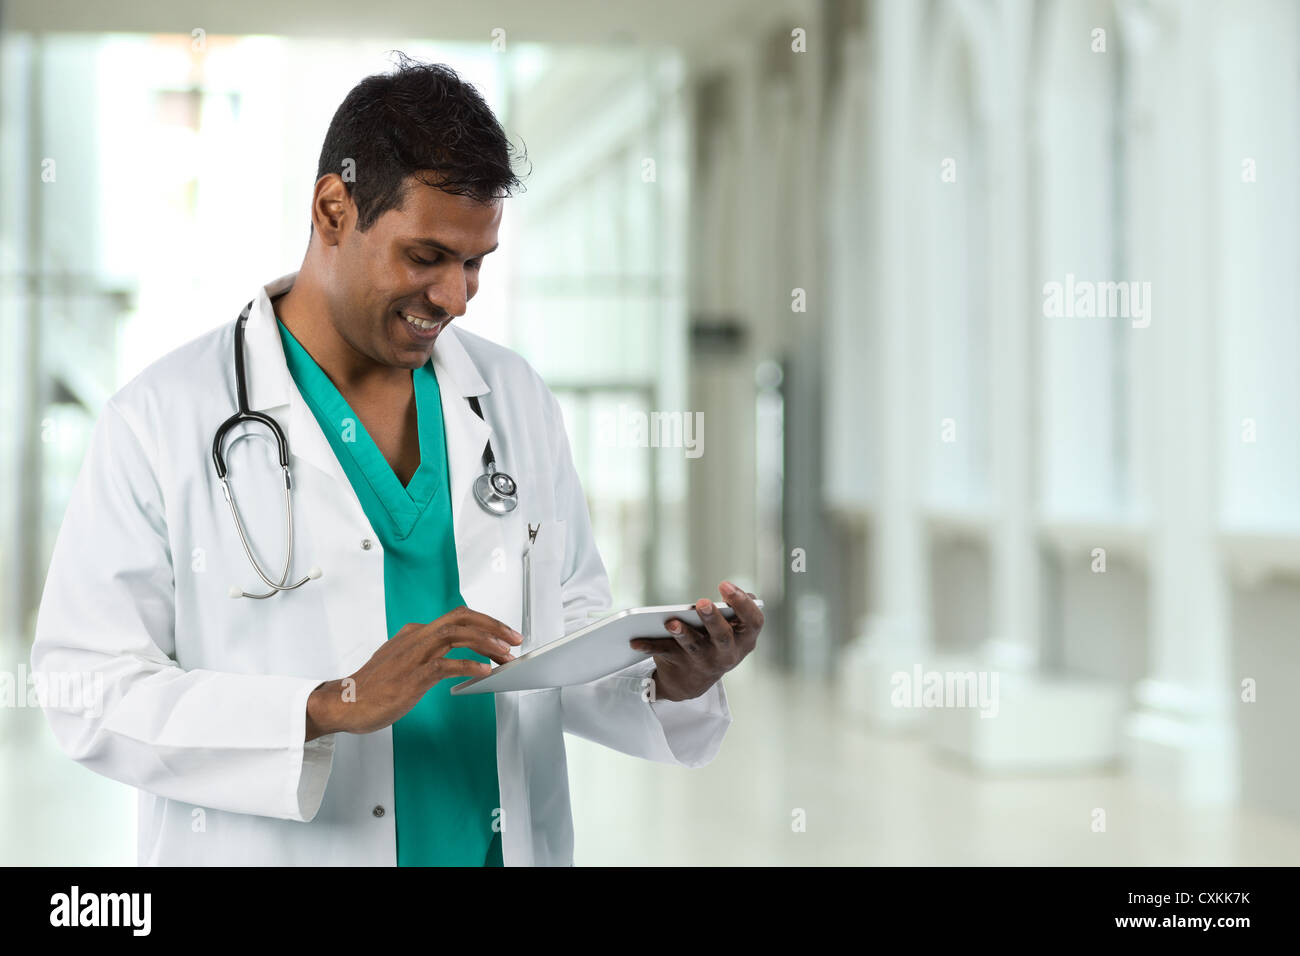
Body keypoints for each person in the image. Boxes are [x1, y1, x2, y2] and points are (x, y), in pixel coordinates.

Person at [30, 55, 763, 866]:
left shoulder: (512, 397)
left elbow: (563, 637)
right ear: (333, 209)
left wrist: (668, 677)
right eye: (426, 257)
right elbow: (85, 688)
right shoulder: (161, 418)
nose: (454, 296)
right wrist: (322, 704)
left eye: (476, 262)